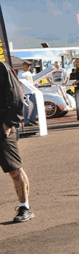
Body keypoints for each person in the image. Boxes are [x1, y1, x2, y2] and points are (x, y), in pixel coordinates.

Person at [1, 61, 32, 222]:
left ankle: (24, 207)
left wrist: (8, 123)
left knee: (14, 169)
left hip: (2, 127)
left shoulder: (1, 68)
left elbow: (17, 97)